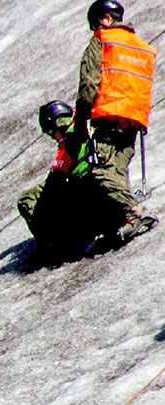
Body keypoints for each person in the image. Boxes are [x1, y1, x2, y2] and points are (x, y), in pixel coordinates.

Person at [74, 0, 157, 241]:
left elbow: (89, 84)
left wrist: (81, 123)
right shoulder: (140, 47)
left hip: (109, 117)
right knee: (117, 172)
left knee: (100, 171)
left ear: (103, 19)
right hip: (134, 121)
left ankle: (134, 212)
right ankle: (121, 221)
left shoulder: (102, 41)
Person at [17, 101, 93, 253]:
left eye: (51, 133)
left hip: (78, 192)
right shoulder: (87, 125)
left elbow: (54, 182)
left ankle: (52, 245)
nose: (52, 138)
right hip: (87, 186)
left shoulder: (68, 142)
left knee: (26, 200)